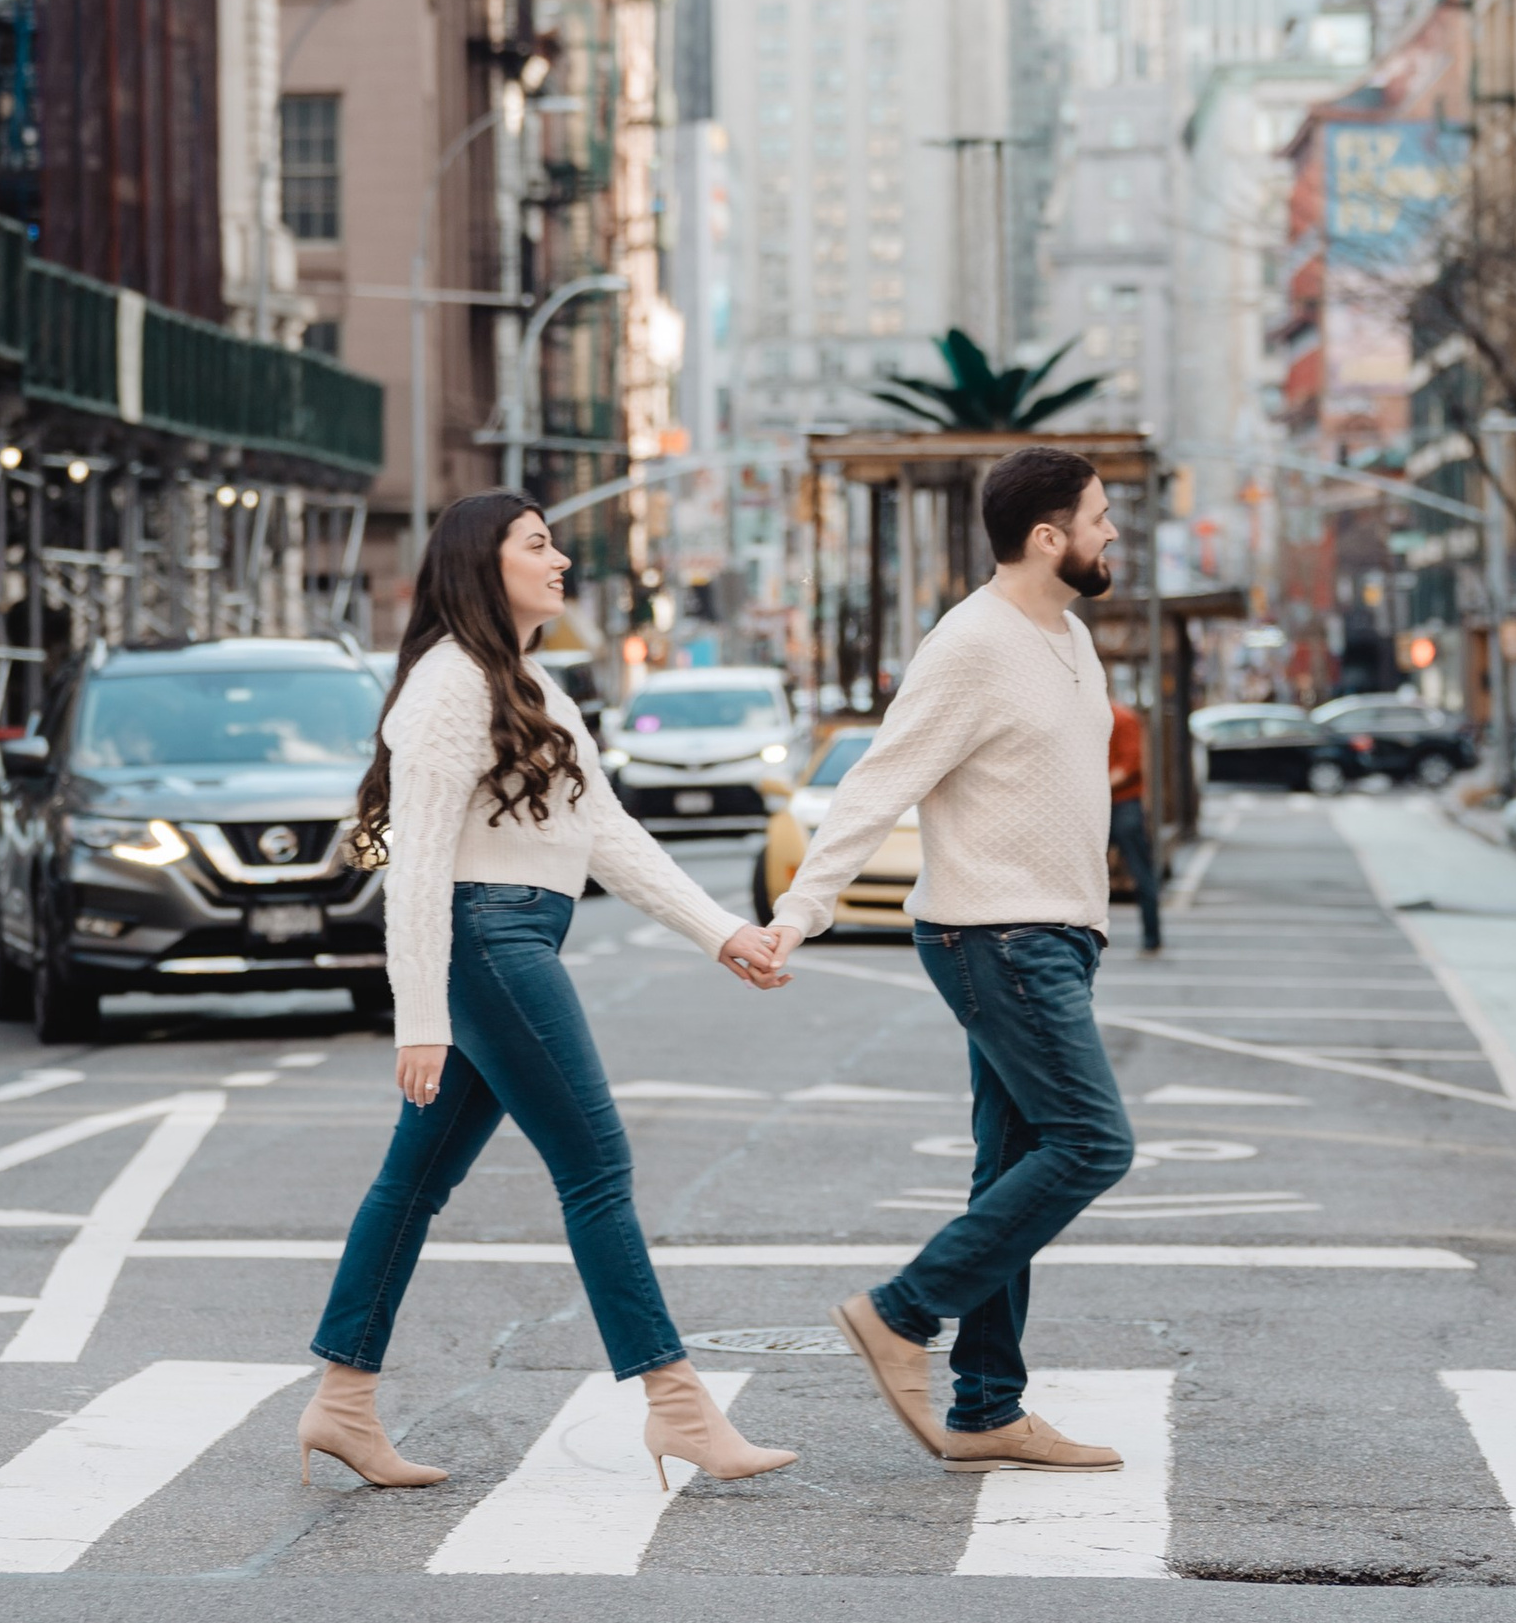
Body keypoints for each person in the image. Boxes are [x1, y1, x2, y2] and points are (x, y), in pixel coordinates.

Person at [299, 489, 799, 1497]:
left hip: (517, 937)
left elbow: (607, 834)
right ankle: (677, 1405)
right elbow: (419, 863)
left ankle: (343, 1402)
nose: (560, 557)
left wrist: (722, 933)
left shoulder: (528, 682)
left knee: (414, 1184)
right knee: (596, 1163)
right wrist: (422, 1020)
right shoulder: (447, 687)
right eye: (539, 544)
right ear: (486, 564)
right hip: (486, 943)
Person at [745, 440, 1137, 1473]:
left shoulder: (1066, 637)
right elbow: (878, 779)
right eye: (1099, 518)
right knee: (1092, 1144)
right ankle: (901, 1312)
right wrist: (801, 910)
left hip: (1050, 931)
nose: (1112, 534)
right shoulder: (970, 643)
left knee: (1012, 1166)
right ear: (1047, 536)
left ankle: (986, 1406)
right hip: (995, 933)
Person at [1106, 696, 1161, 952]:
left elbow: (1128, 766)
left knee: (1140, 871)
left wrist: (1094, 787)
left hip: (1123, 803)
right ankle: (1152, 937)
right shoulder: (1115, 716)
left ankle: (1152, 935)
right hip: (1109, 803)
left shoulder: (1122, 717)